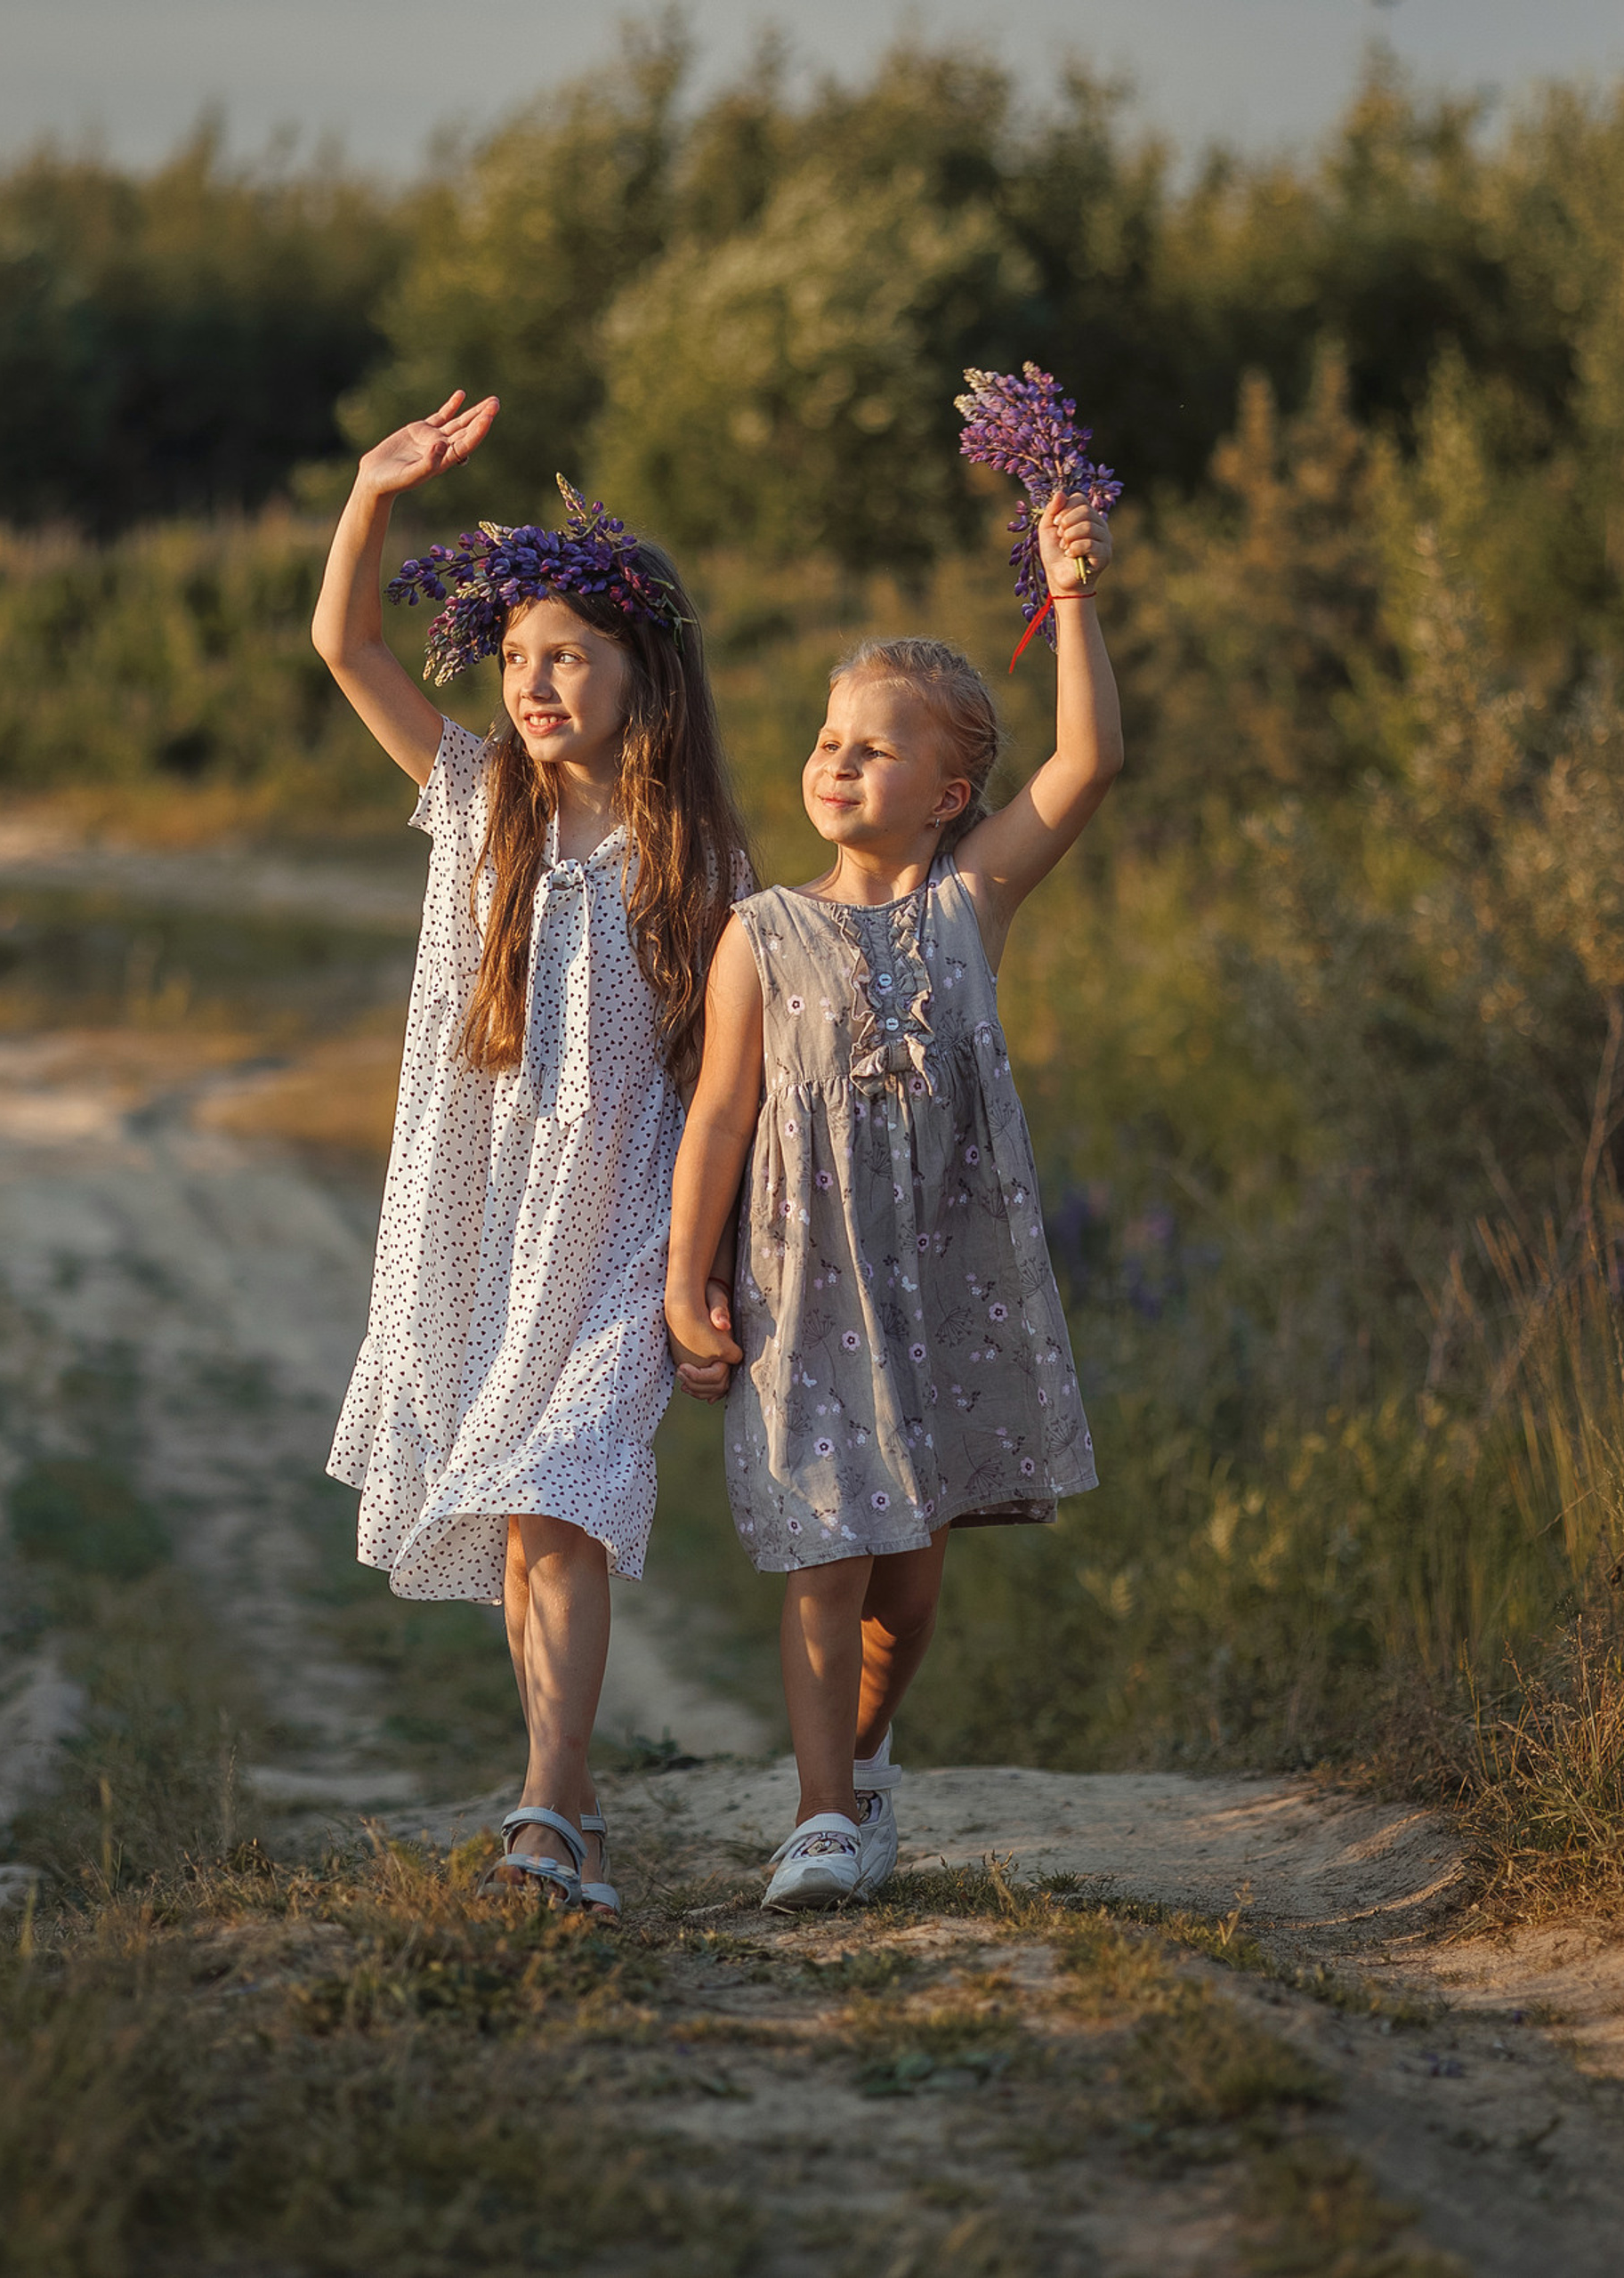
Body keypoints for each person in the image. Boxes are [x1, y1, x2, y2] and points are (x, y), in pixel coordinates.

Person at [314, 390, 753, 1916]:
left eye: (569, 654)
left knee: (564, 1495)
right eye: (515, 658)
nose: (536, 681)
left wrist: (702, 1272)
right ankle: (561, 1804)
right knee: (523, 1517)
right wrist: (371, 497)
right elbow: (346, 647)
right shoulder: (475, 800)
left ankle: (549, 1814)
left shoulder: (699, 864)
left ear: (644, 673)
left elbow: (723, 1089)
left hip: (625, 1227)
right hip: (483, 1213)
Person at [663, 487, 1119, 1909]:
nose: (837, 762)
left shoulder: (969, 904)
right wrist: (685, 1280)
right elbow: (721, 1114)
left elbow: (1091, 761)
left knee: (906, 1591)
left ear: (948, 794)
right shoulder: (760, 933)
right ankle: (814, 1818)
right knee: (829, 1556)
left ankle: (860, 1769)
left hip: (942, 1287)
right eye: (826, 740)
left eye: (874, 748)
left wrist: (1071, 596)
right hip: (808, 1290)